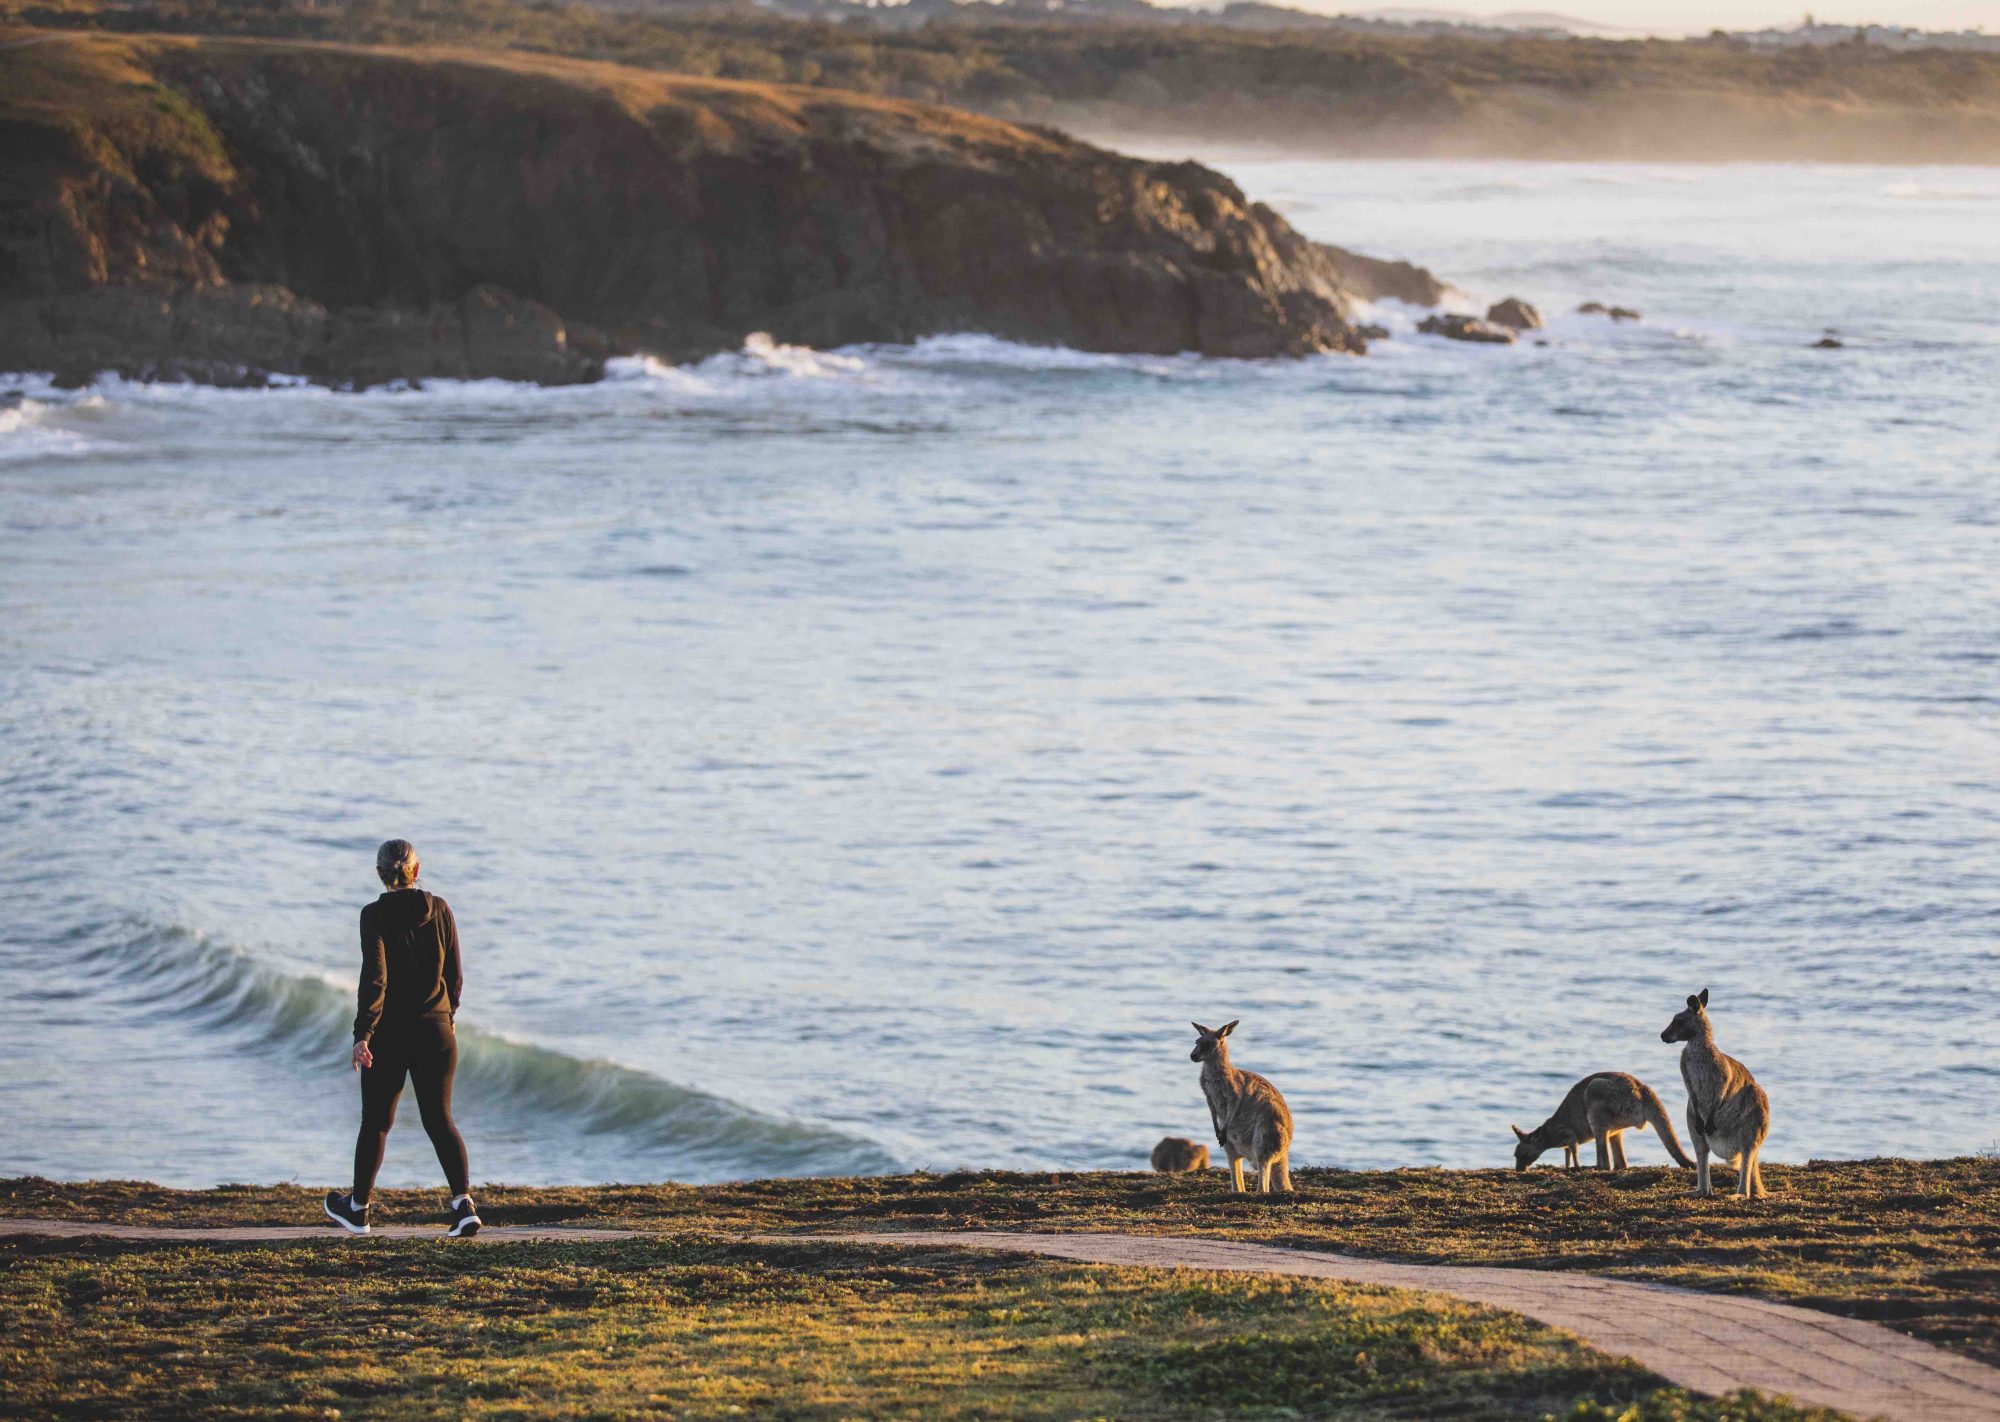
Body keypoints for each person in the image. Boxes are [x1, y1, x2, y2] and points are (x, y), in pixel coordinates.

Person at [323, 839, 480, 1237]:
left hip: (391, 1035)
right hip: (438, 1031)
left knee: (376, 1123)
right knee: (440, 1120)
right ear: (417, 869)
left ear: (380, 874)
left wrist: (363, 1034)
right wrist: (449, 1015)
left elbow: (376, 978)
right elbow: (455, 976)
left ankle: (357, 1210)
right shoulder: (440, 909)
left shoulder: (373, 915)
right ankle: (463, 1207)